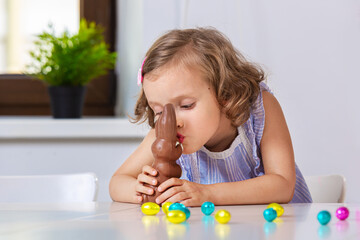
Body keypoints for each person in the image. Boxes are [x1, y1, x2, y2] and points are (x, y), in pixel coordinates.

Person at [109, 27, 312, 206]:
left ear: (225, 94)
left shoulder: (259, 109)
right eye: (160, 111)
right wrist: (141, 190)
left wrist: (207, 193)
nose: (173, 121)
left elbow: (282, 185)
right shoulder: (165, 134)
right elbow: (117, 181)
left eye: (186, 105)